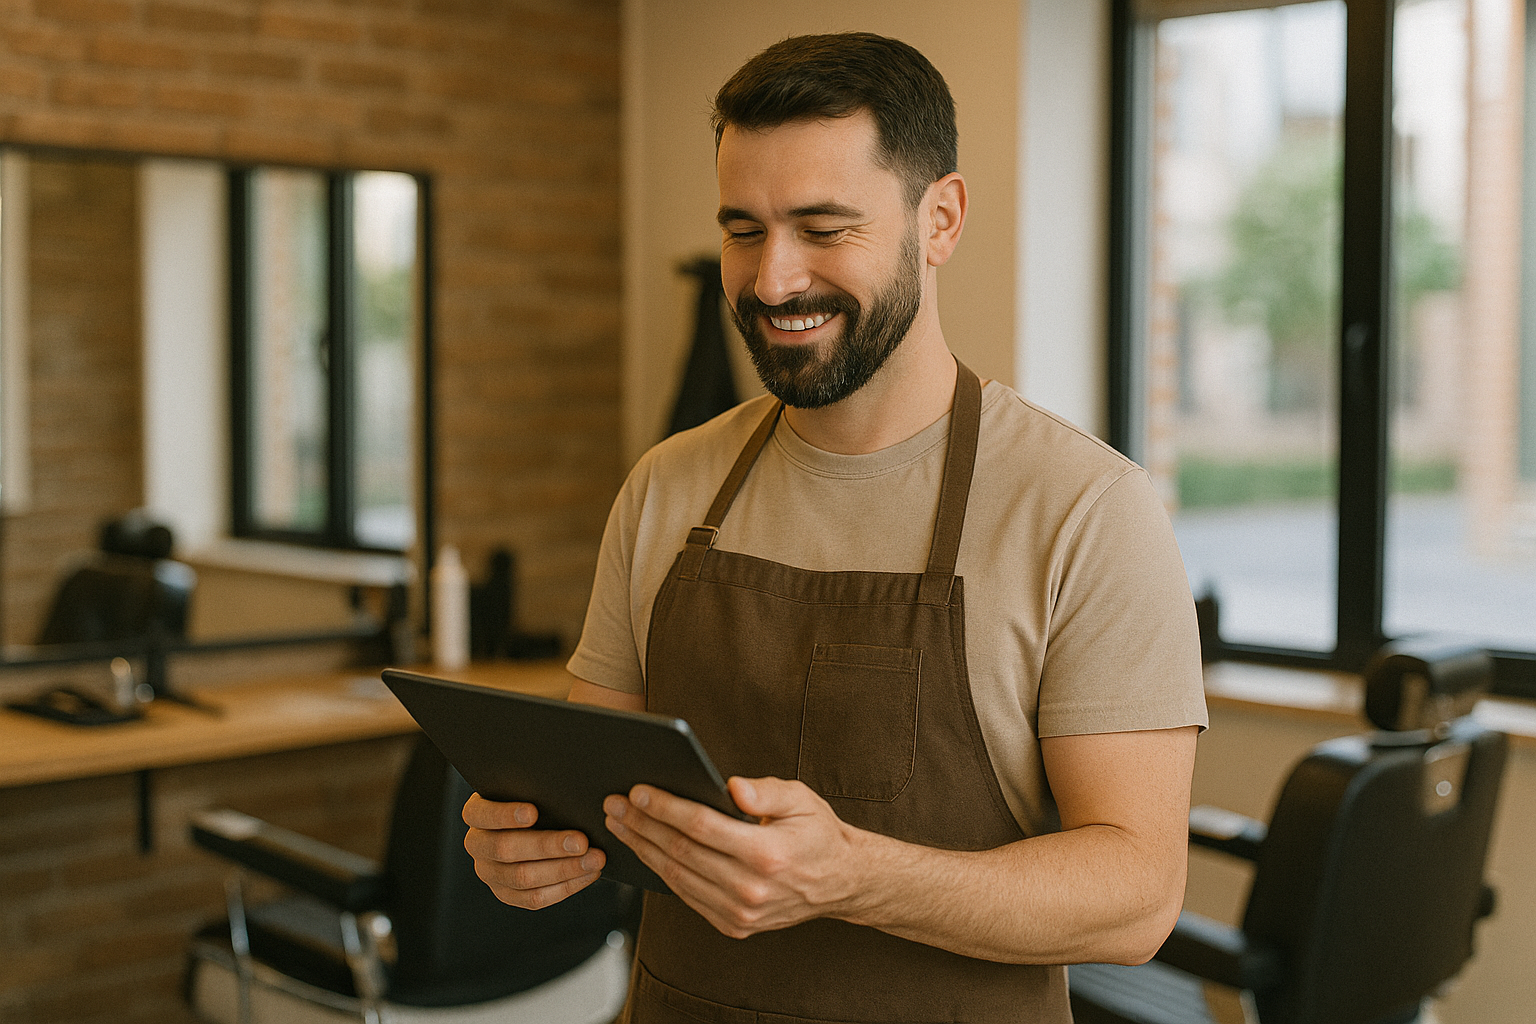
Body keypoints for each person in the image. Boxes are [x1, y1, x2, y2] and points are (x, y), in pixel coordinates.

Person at [464, 32, 1208, 1024]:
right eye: (743, 229)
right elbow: (598, 791)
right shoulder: (666, 488)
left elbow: (1138, 896)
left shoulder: (1083, 511)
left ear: (938, 219)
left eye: (822, 228)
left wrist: (854, 875)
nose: (772, 281)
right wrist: (527, 842)